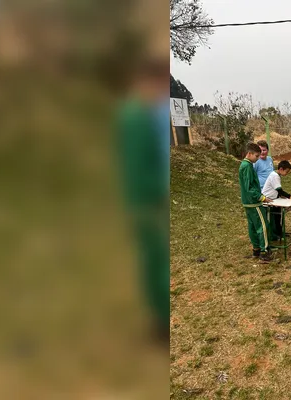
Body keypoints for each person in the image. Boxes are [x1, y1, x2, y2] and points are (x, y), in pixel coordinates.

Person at [116, 55, 170, 343]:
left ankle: (158, 320)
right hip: (145, 201)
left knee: (153, 259)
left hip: (144, 198)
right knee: (155, 259)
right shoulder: (137, 116)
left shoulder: (139, 112)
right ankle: (161, 323)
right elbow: (138, 167)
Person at [240, 143, 273, 262]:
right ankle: (264, 252)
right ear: (249, 154)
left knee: (252, 227)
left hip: (247, 202)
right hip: (254, 202)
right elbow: (249, 187)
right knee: (263, 226)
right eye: (256, 156)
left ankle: (256, 250)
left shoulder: (244, 165)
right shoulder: (247, 166)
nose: (258, 158)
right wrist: (261, 197)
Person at [262, 160, 291, 241]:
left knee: (278, 216)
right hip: (268, 201)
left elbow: (276, 190)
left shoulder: (276, 175)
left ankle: (279, 232)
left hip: (274, 199)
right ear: (281, 169)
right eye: (287, 171)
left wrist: (280, 196)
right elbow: (279, 190)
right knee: (274, 219)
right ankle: (274, 235)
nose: (287, 173)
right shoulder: (275, 176)